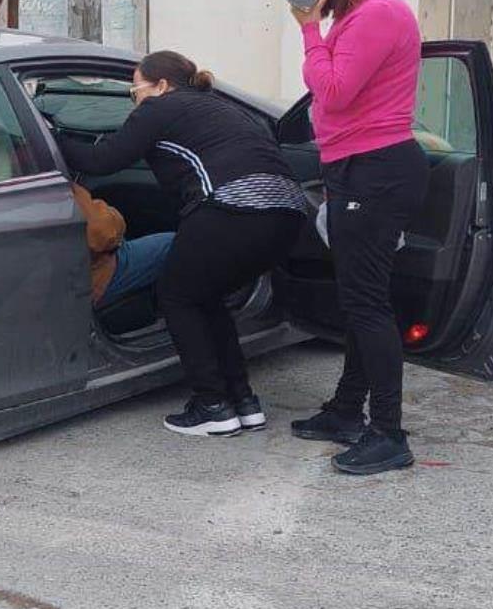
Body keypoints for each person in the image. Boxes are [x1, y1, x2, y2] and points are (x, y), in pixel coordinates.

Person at [59, 51, 307, 437]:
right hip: (287, 213)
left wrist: (49, 140)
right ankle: (242, 403)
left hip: (233, 208)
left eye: (134, 89)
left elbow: (104, 159)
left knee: (177, 295)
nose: (133, 99)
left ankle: (212, 405)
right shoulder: (218, 107)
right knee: (206, 298)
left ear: (159, 85)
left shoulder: (159, 107)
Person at [287, 0, 427, 475]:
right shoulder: (359, 10)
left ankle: (389, 435)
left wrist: (306, 30)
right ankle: (347, 410)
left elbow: (335, 90)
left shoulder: (378, 15)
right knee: (357, 299)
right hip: (357, 168)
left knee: (367, 305)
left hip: (377, 172)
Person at [70, 182, 175, 309]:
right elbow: (103, 232)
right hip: (90, 281)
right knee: (177, 244)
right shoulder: (56, 190)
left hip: (57, 284)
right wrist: (114, 218)